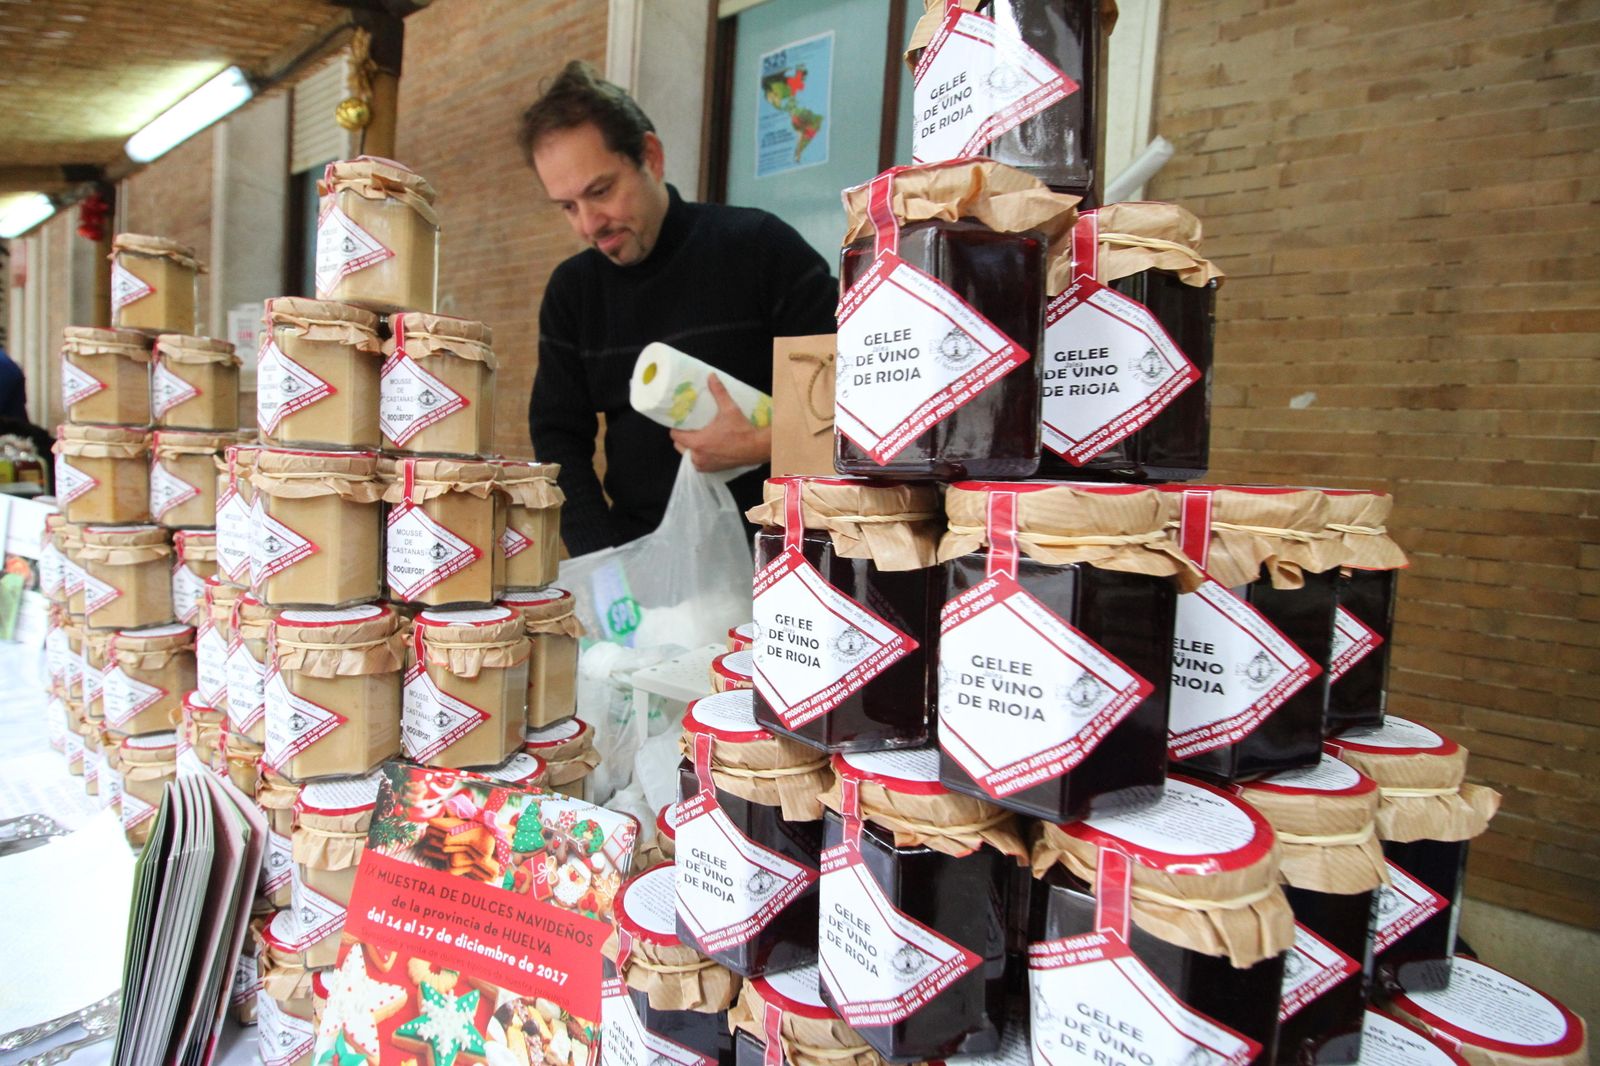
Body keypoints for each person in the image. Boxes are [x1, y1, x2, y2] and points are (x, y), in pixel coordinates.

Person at [520, 61, 837, 557]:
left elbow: (855, 404)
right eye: (567, 206)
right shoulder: (573, 292)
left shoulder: (758, 248)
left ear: (651, 155)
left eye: (600, 192)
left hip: (787, 559)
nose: (588, 224)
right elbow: (559, 441)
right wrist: (605, 564)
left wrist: (759, 444)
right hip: (646, 565)